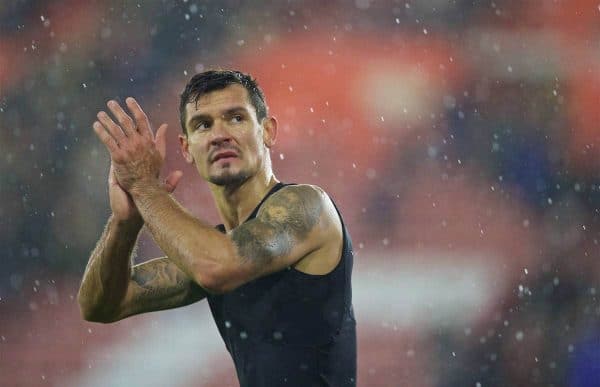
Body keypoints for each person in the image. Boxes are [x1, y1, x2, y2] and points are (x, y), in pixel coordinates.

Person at [77, 70, 356, 387]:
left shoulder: (307, 206)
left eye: (236, 118)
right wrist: (125, 223)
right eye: (203, 125)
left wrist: (144, 188)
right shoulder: (214, 248)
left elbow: (218, 267)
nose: (219, 134)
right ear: (186, 149)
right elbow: (101, 304)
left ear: (267, 131)